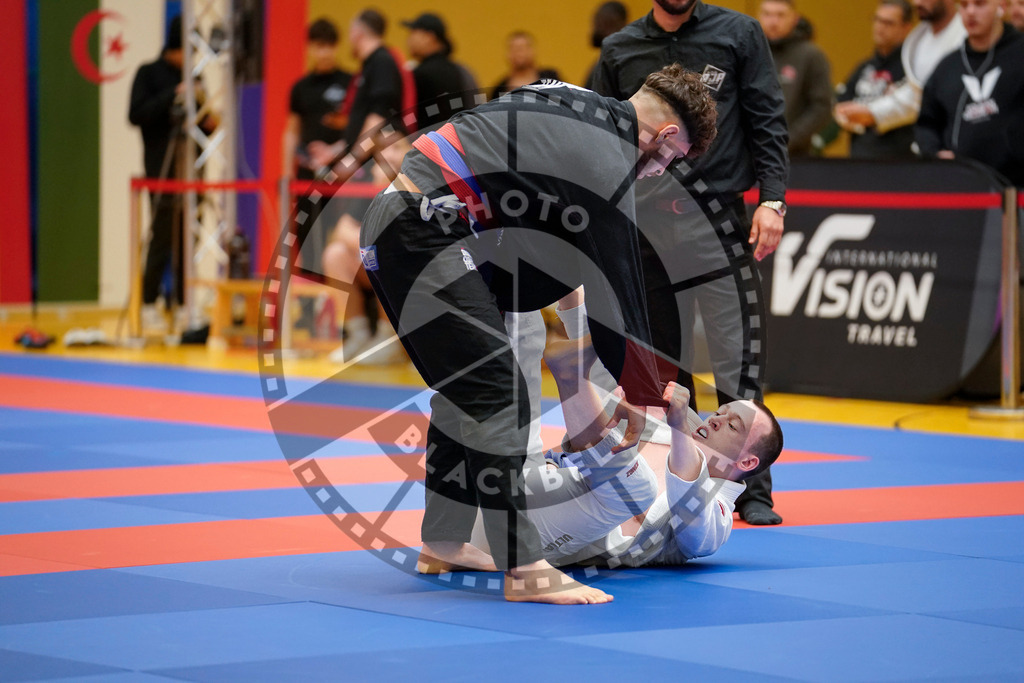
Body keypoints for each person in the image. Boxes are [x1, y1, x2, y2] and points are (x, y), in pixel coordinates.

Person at [358, 65, 719, 604]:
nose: (658, 172)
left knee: (469, 388)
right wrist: (648, 392)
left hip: (409, 222)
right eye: (671, 159)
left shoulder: (567, 98)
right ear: (666, 135)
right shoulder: (607, 158)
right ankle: (524, 567)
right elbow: (618, 285)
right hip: (424, 229)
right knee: (498, 392)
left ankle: (444, 540)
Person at [591, 0, 788, 526]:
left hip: (719, 221)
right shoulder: (620, 48)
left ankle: (752, 489)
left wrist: (773, 200)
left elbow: (767, 116)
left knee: (736, 354)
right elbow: (602, 130)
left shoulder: (739, 33)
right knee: (661, 363)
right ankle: (671, 475)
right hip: (646, 225)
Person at [467, 330, 783, 569]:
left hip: (524, 543)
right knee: (531, 345)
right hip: (494, 495)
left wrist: (678, 428)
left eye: (732, 425)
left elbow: (692, 520)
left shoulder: (718, 517)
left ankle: (572, 375)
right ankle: (550, 327)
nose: (716, 419)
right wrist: (552, 462)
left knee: (638, 490)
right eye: (721, 412)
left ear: (748, 460)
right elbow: (576, 445)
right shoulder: (657, 428)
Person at [283, 18, 352, 329]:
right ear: (310, 48)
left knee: (339, 241)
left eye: (328, 46)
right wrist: (287, 176)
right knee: (307, 245)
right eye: (317, 46)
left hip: (342, 182)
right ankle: (309, 314)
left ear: (335, 47)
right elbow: (291, 131)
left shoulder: (350, 83)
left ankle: (345, 317)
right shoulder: (300, 88)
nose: (323, 52)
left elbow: (356, 130)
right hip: (306, 179)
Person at [915, 0, 1024, 187]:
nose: (971, 12)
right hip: (963, 188)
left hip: (1017, 187)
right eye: (964, 5)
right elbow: (927, 123)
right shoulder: (947, 67)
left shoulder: (1019, 52)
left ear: (1001, 7)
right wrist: (934, 153)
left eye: (979, 4)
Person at [129, 16, 191, 329]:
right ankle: (149, 300)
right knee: (162, 234)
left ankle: (182, 302)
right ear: (174, 47)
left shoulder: (194, 76)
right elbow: (135, 114)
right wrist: (172, 94)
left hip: (190, 169)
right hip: (160, 168)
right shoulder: (149, 73)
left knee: (187, 235)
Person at [834, 0, 965, 138]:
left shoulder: (966, 32)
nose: (917, 3)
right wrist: (871, 112)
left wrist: (873, 112)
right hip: (931, 142)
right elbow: (916, 95)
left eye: (888, 23)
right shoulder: (920, 39)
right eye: (877, 20)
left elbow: (925, 98)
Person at [309, 9, 414, 170]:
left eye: (350, 33)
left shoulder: (382, 61)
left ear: (357, 33)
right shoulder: (368, 67)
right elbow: (361, 124)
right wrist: (333, 151)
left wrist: (354, 157)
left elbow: (378, 116)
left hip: (383, 157)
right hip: (370, 157)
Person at [835, 0, 917, 159]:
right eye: (877, 20)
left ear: (907, 27)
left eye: (888, 23)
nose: (880, 27)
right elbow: (841, 104)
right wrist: (849, 115)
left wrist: (869, 114)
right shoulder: (865, 66)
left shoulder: (912, 68)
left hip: (898, 163)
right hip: (860, 159)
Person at [758, 0, 834, 157]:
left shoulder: (811, 55)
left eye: (780, 15)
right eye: (767, 14)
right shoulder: (750, 52)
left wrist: (787, 140)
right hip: (749, 154)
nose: (773, 22)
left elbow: (822, 107)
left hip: (795, 156)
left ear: (794, 18)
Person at [403, 12, 477, 131]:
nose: (408, 40)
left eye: (413, 33)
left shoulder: (420, 74)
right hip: (459, 142)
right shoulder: (462, 71)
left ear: (429, 37)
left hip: (427, 144)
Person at [490, 31, 562, 99]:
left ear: (532, 51)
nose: (518, 53)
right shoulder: (499, 88)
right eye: (514, 49)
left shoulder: (551, 79)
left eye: (522, 48)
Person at [584, 2, 629, 89]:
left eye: (608, 24)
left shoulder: (618, 64)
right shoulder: (601, 62)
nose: (599, 28)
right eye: (598, 22)